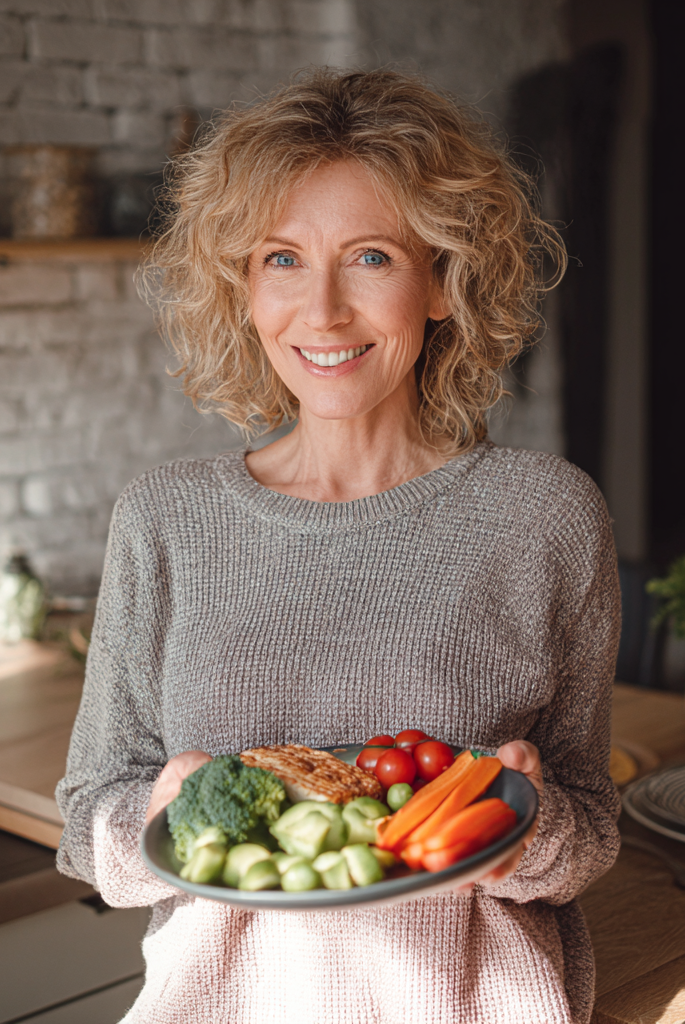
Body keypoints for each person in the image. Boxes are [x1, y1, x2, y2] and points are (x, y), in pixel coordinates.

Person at [56, 68, 621, 1024]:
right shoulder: (167, 519)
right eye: (281, 259)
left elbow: (593, 829)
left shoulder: (546, 517)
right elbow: (86, 826)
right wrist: (157, 809)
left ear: (442, 280)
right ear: (241, 287)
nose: (321, 312)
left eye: (369, 258)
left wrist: (532, 830)